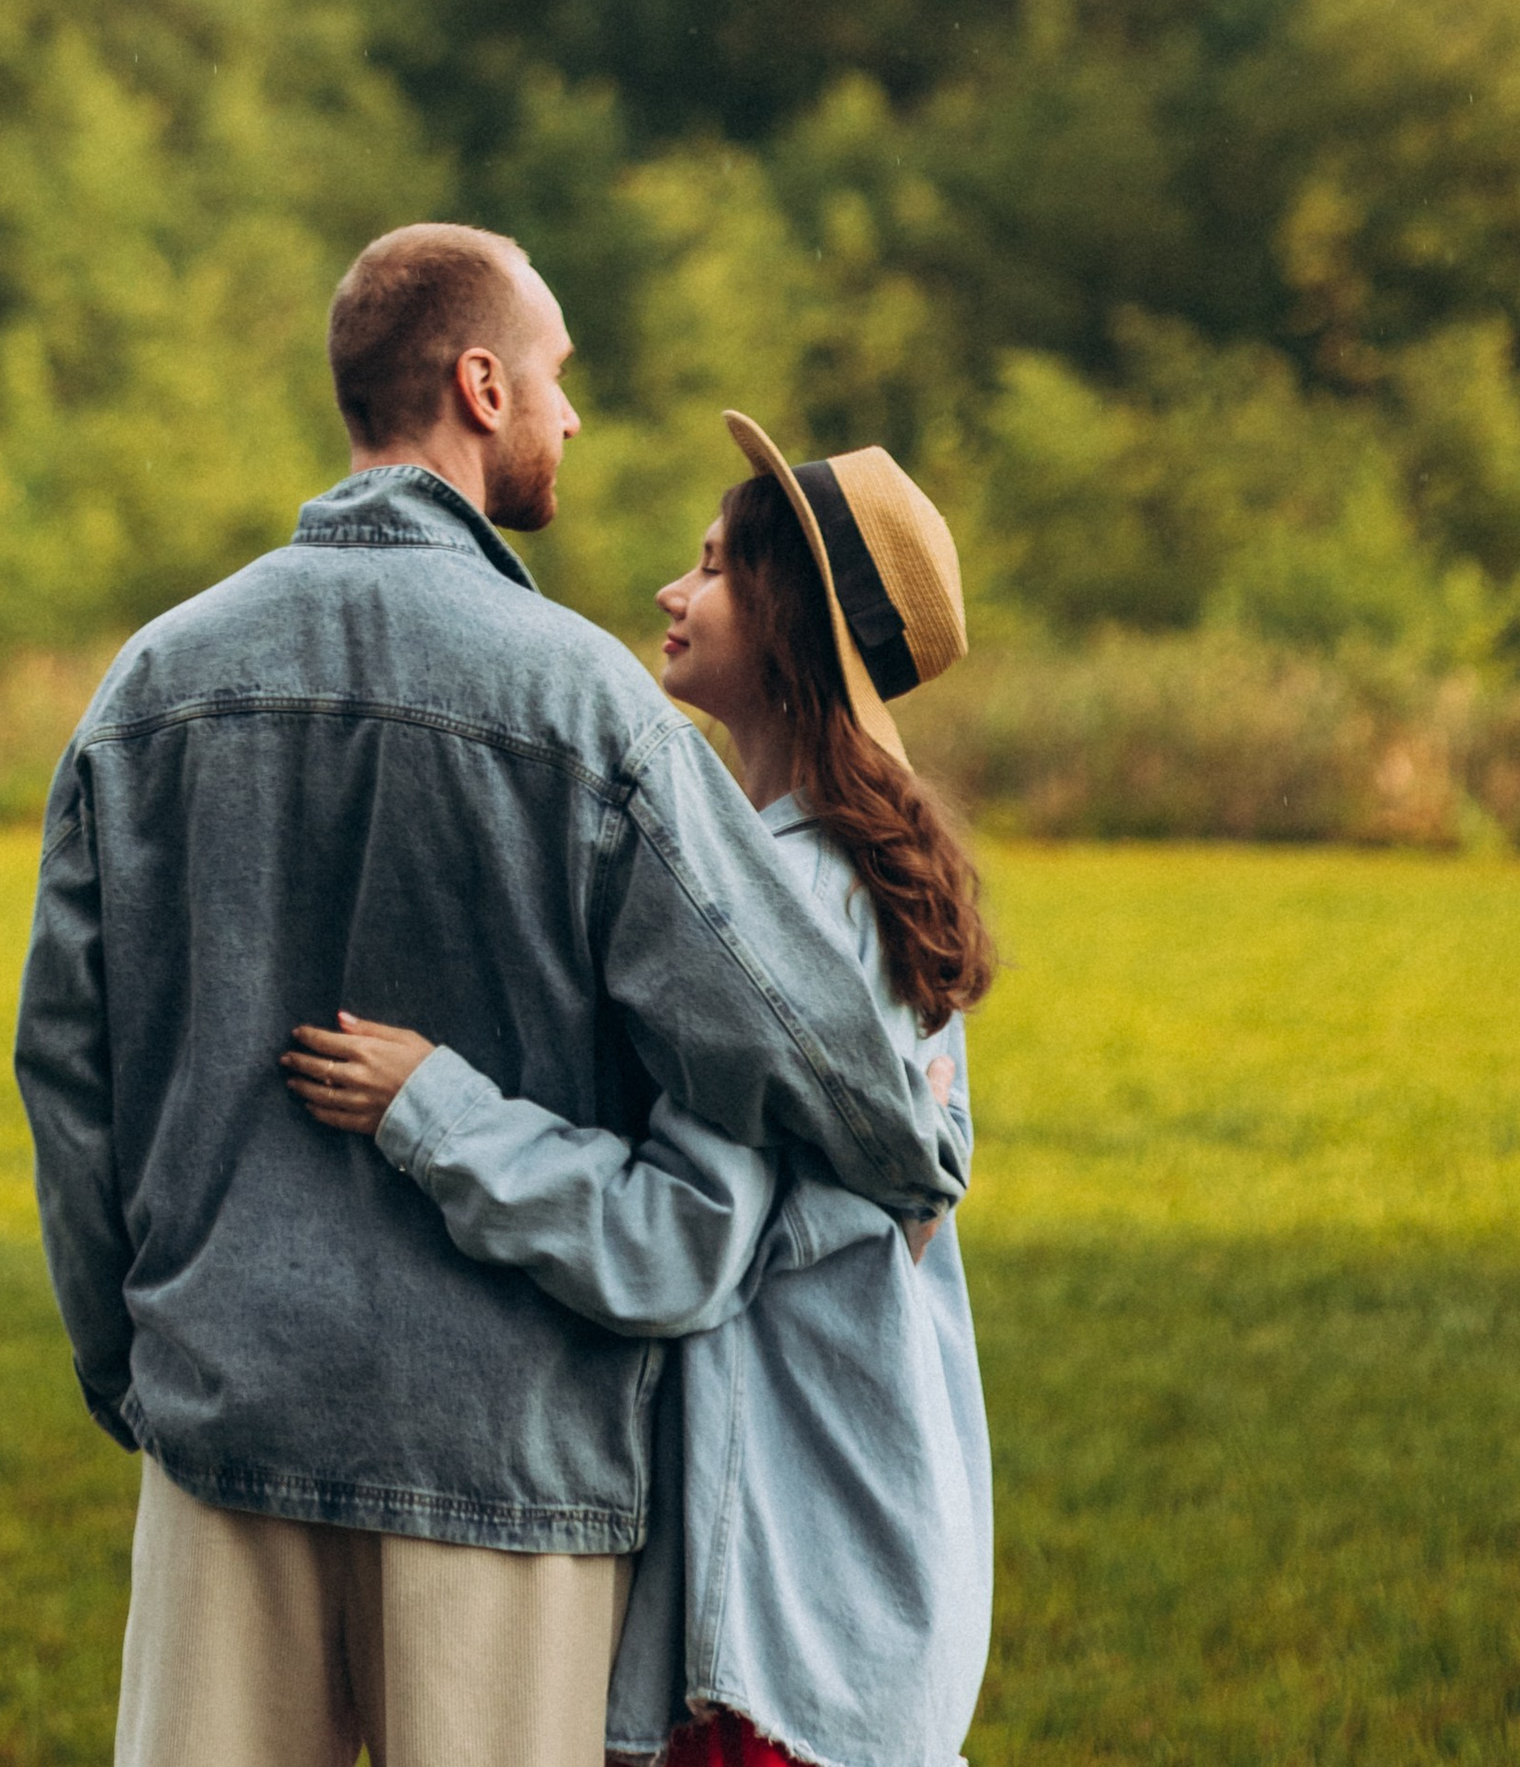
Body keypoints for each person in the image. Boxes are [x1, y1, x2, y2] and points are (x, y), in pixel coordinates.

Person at [14, 234, 963, 1767]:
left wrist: (135, 1359)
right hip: (505, 1469)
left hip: (227, 1425)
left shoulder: (149, 684)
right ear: (480, 384)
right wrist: (915, 1148)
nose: (572, 417)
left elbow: (66, 1064)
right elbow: (777, 1019)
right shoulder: (583, 703)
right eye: (560, 376)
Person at [287, 411, 995, 1767]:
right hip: (876, 1597)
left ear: (791, 617)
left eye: (718, 565)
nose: (677, 592)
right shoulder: (866, 879)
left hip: (772, 1622)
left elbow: (679, 1241)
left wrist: (431, 1105)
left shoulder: (782, 900)